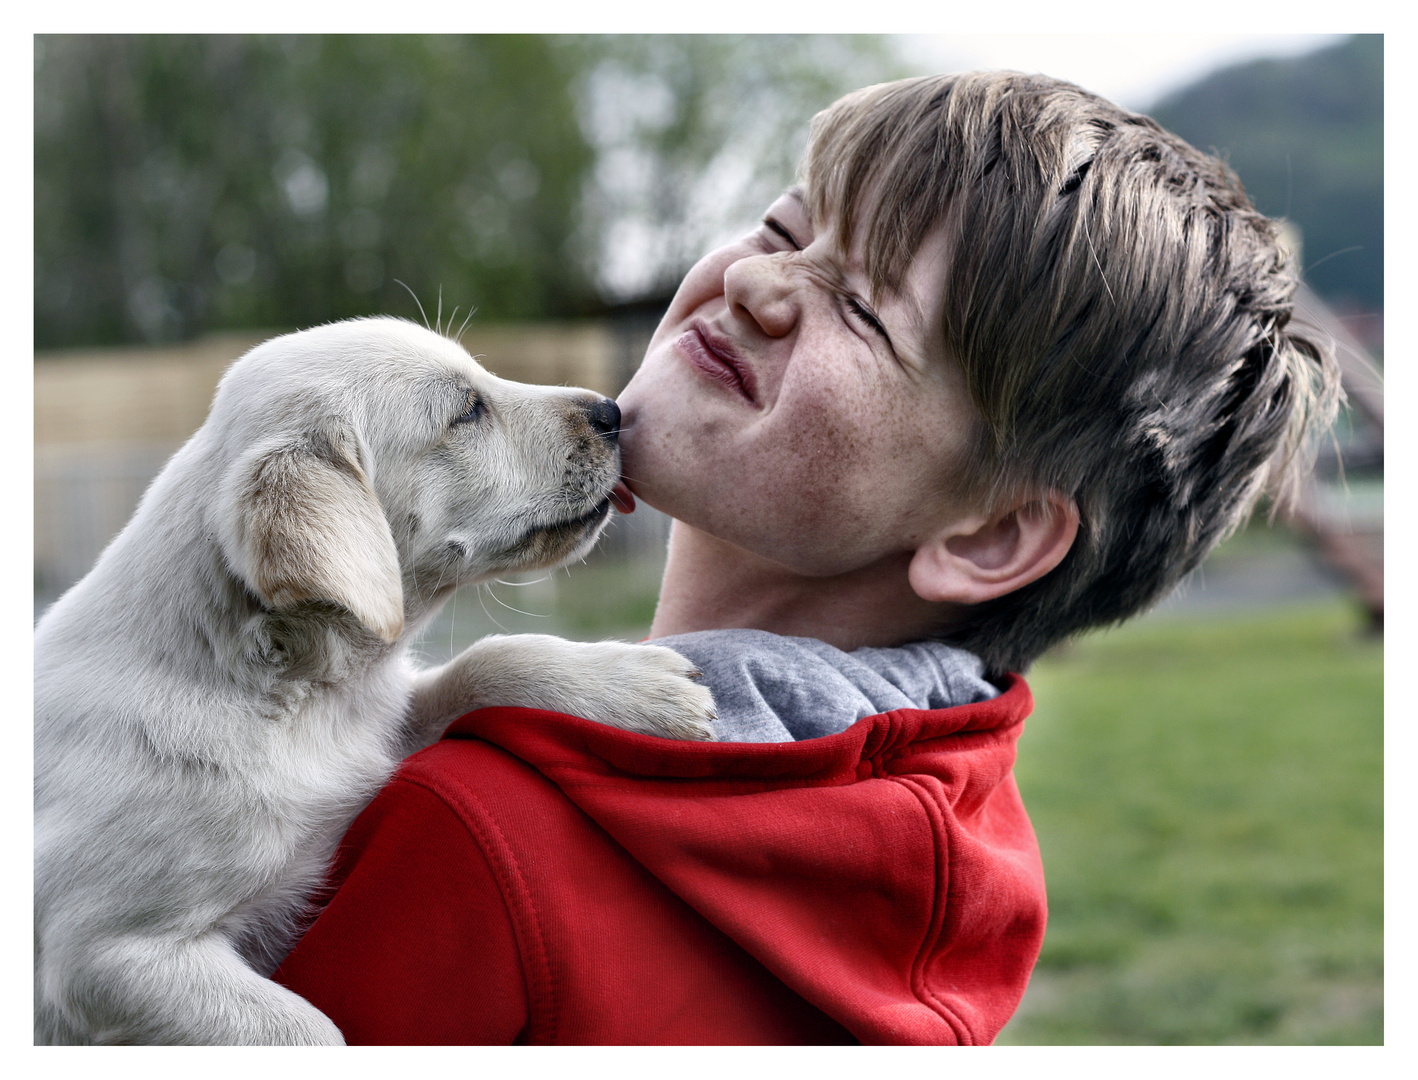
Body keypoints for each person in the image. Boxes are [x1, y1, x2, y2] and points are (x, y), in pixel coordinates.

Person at [271, 71, 1337, 1044]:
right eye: (783, 225)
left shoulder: (479, 835)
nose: (760, 284)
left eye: (865, 309)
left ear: (987, 536)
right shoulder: (955, 868)